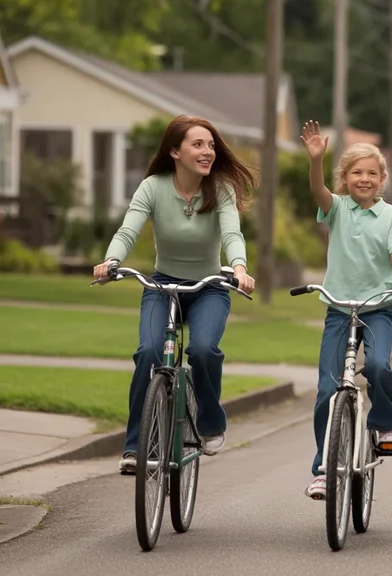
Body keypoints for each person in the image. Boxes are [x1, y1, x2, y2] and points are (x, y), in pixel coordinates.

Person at [92, 115, 258, 475]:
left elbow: (232, 235)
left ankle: (211, 421)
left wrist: (240, 268)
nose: (207, 151)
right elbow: (129, 227)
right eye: (198, 144)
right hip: (162, 285)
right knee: (148, 351)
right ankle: (135, 447)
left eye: (211, 145)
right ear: (174, 151)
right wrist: (111, 260)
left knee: (201, 350)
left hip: (209, 287)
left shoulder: (221, 190)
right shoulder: (153, 187)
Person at [297, 120, 392, 499]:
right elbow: (316, 190)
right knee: (327, 388)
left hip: (378, 308)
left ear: (383, 178)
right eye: (357, 172)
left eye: (372, 173)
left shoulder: (391, 216)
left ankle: (386, 422)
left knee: (378, 367)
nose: (364, 179)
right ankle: (324, 466)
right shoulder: (336, 209)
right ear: (345, 178)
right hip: (339, 309)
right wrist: (315, 160)